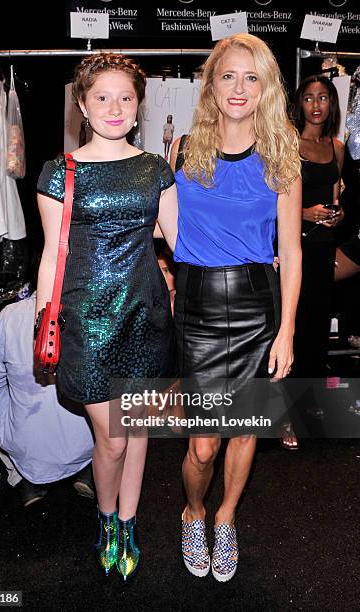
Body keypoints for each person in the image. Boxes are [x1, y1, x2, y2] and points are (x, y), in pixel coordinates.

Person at [36, 53, 178, 581]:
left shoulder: (155, 168)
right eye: (102, 97)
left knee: (136, 429)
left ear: (139, 105)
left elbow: (181, 241)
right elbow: (53, 252)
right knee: (112, 436)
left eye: (125, 97)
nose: (114, 107)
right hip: (86, 319)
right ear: (81, 104)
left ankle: (128, 521)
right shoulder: (58, 173)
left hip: (145, 315)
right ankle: (104, 517)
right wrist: (44, 318)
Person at [170, 33, 302, 582]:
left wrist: (287, 330)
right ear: (212, 84)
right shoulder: (182, 150)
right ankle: (193, 510)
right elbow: (169, 229)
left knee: (244, 429)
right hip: (198, 304)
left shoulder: (281, 156)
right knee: (203, 444)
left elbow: (292, 253)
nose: (239, 87)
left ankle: (226, 518)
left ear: (266, 86)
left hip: (256, 304)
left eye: (252, 77)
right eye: (229, 75)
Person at [0, 291, 95, 507]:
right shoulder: (95, 310)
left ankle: (22, 478)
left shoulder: (9, 315)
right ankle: (89, 470)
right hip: (89, 442)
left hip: (30, 448)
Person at [287, 75, 344, 434]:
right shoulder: (288, 144)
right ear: (300, 104)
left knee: (316, 332)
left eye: (323, 97)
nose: (316, 104)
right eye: (309, 98)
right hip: (294, 248)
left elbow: (339, 198)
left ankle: (306, 411)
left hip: (324, 249)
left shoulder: (337, 148)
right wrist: (304, 212)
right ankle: (286, 417)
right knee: (290, 329)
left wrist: (337, 214)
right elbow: (272, 203)